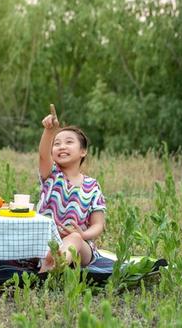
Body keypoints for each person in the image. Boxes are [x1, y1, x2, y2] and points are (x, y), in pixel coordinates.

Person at [38, 104, 106, 271]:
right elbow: (42, 154)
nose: (62, 146)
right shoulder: (51, 175)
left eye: (69, 142)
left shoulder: (92, 186)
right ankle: (52, 264)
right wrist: (49, 131)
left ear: (83, 152)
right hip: (47, 241)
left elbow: (98, 224)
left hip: (81, 248)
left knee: (74, 238)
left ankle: (47, 273)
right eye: (57, 143)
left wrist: (84, 235)